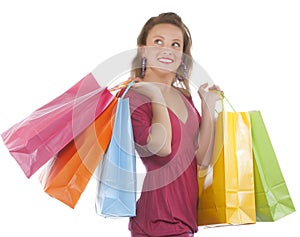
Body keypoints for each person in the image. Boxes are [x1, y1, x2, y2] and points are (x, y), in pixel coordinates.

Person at [123, 12, 222, 237]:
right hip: (157, 220)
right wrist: (155, 95)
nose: (167, 49)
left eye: (175, 44)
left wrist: (208, 107)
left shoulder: (184, 98)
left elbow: (202, 160)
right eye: (158, 41)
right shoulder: (135, 97)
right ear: (143, 50)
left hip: (185, 219)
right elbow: (162, 148)